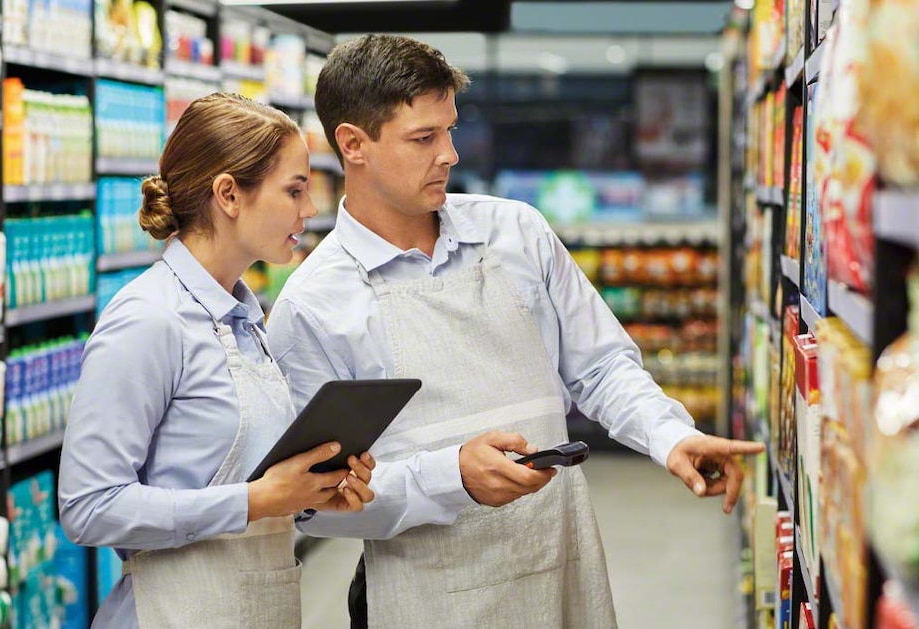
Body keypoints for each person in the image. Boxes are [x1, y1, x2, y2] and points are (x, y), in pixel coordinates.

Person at [266, 35, 766, 629]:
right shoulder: (314, 304)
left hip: (559, 566)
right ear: (353, 145)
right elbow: (312, 505)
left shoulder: (516, 233)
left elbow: (601, 366)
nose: (449, 154)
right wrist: (451, 478)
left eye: (450, 130)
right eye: (424, 138)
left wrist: (669, 436)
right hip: (427, 599)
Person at [58, 93, 377, 629]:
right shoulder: (148, 319)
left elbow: (230, 477)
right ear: (229, 193)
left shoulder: (246, 322)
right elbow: (89, 507)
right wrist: (253, 500)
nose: (311, 209)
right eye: (294, 190)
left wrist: (307, 492)